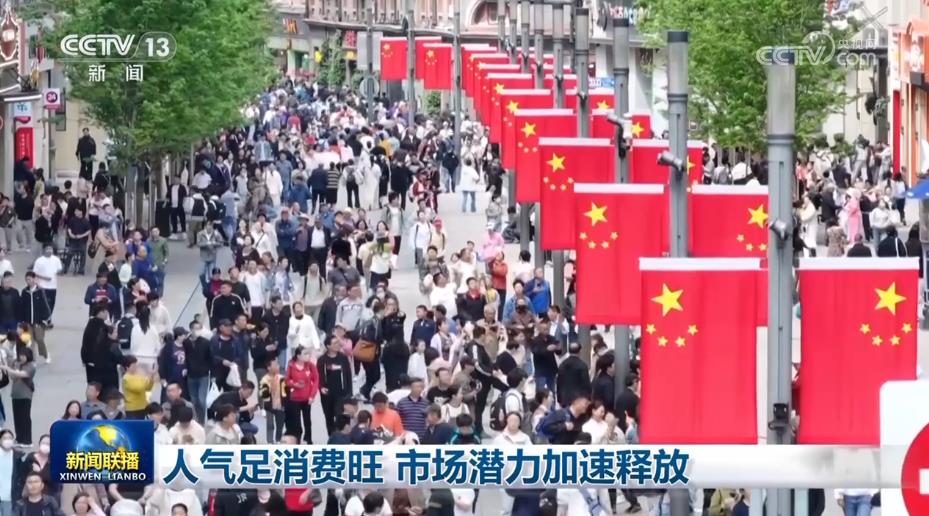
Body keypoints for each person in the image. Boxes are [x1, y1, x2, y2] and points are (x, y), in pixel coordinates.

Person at [316, 336, 353, 435]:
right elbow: (318, 377)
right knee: (329, 417)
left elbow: (348, 376)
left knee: (343, 416)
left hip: (342, 393)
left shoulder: (343, 358)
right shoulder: (322, 360)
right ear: (328, 346)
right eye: (335, 343)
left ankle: (344, 437)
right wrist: (321, 387)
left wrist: (349, 393)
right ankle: (332, 437)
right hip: (328, 395)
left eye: (338, 342)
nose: (338, 345)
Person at [285, 346, 319, 444]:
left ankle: (308, 438)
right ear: (298, 356)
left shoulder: (310, 366)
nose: (308, 356)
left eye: (308, 353)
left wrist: (312, 396)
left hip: (307, 398)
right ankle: (297, 439)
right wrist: (294, 384)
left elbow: (316, 380)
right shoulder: (291, 365)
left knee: (307, 420)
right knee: (296, 421)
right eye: (305, 354)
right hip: (295, 398)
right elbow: (287, 380)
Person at [2, 347, 36, 444]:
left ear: (28, 356)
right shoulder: (17, 364)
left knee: (25, 417)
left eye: (23, 355)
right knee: (17, 418)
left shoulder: (31, 366)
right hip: (16, 394)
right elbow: (13, 377)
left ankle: (27, 440)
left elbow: (22, 374)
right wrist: (11, 368)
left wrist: (8, 368)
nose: (21, 357)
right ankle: (19, 438)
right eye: (20, 355)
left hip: (25, 395)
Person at [31, 245, 62, 328]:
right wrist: (44, 278)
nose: (49, 250)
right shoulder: (39, 261)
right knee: (44, 304)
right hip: (42, 286)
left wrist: (56, 273)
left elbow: (59, 269)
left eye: (50, 249)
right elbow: (34, 273)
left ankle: (48, 319)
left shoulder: (56, 259)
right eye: (47, 249)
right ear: (44, 250)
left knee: (52, 303)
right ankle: (43, 320)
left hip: (53, 286)